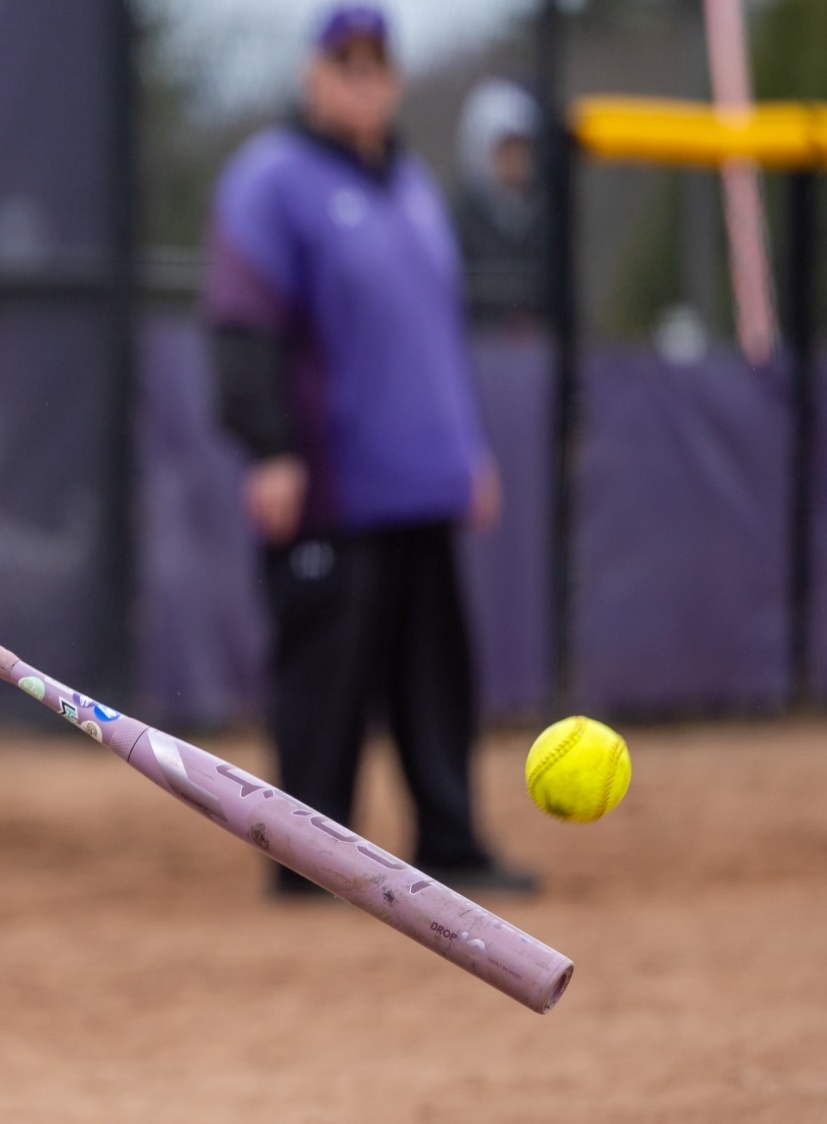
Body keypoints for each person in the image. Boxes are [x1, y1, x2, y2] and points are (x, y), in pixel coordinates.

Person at [201, 5, 536, 898]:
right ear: (313, 76)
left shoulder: (414, 187)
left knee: (437, 683)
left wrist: (468, 449)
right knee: (325, 686)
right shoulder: (270, 182)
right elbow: (242, 327)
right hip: (331, 487)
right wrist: (269, 447)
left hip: (423, 483)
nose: (363, 77)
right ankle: (309, 866)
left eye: (376, 63)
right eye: (345, 62)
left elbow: (432, 335)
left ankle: (452, 842)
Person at [452, 77, 543, 323]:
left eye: (522, 149)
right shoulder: (459, 222)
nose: (516, 161)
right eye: (506, 150)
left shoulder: (544, 217)